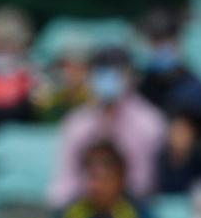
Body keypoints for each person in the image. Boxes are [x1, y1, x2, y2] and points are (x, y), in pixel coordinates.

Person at [48, 47, 166, 207]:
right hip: (84, 207)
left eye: (116, 72)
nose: (108, 79)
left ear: (131, 76)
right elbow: (65, 182)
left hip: (133, 209)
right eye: (101, 72)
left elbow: (145, 184)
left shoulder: (149, 123)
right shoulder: (77, 123)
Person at [136, 8, 201, 118]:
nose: (159, 48)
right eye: (154, 41)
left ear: (179, 43)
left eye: (164, 41)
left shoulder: (194, 91)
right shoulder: (143, 87)